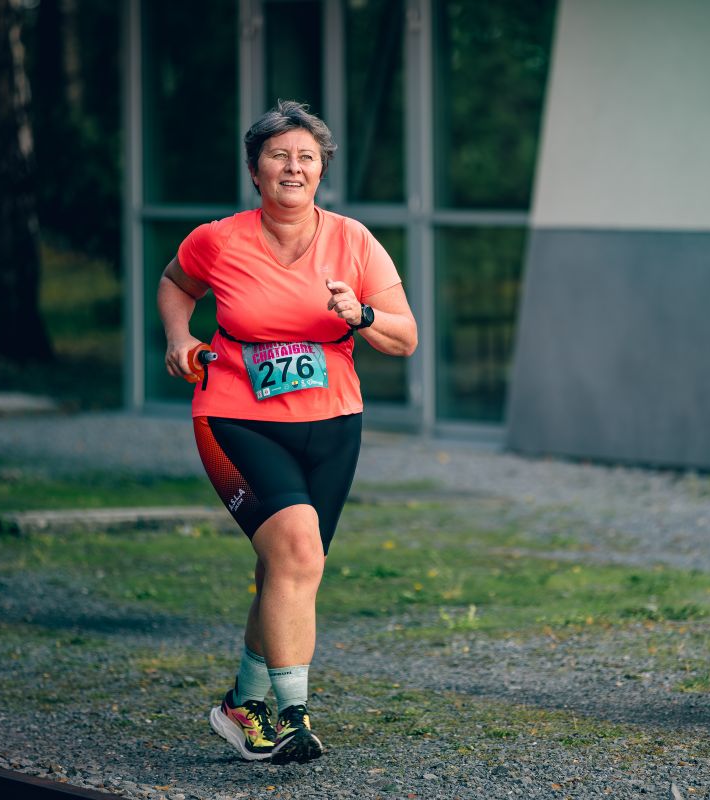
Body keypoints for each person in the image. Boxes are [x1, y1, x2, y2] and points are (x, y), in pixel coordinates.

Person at [156, 100, 417, 764]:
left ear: (322, 169)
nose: (293, 167)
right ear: (255, 170)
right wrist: (179, 336)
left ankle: (241, 704)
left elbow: (405, 337)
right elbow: (175, 282)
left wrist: (360, 315)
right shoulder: (218, 240)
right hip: (236, 416)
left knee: (292, 567)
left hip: (333, 423)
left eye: (306, 157)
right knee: (298, 552)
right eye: (278, 156)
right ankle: (294, 716)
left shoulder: (354, 241)